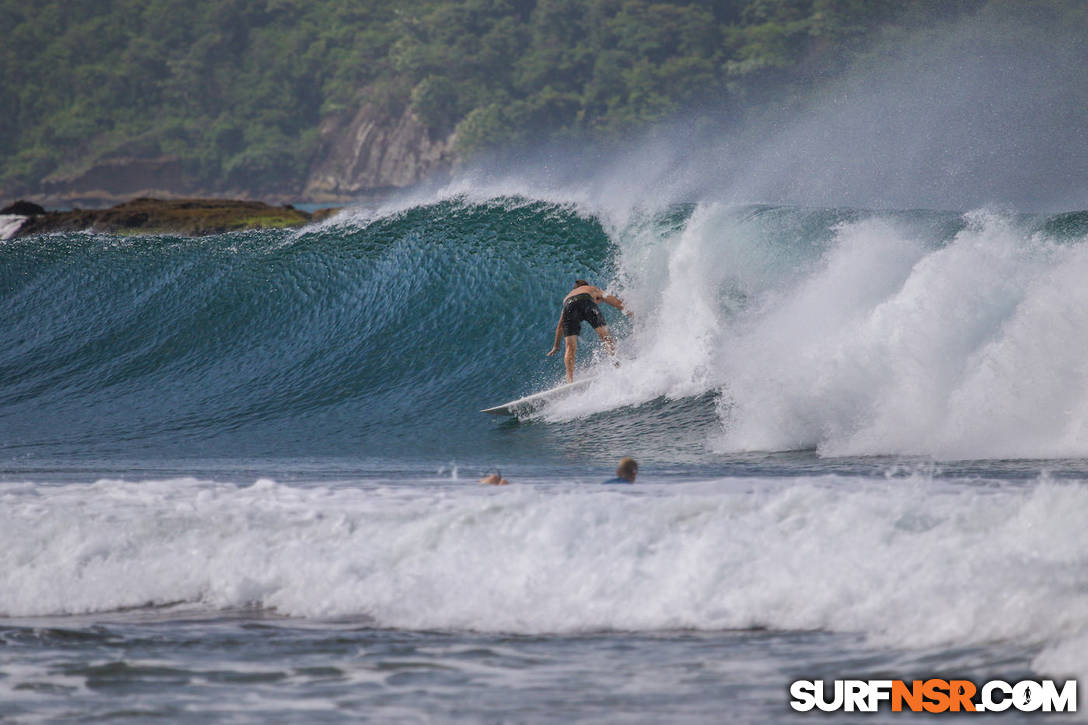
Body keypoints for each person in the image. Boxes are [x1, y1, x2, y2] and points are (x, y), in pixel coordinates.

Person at [546, 279, 629, 382]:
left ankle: (569, 380)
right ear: (586, 285)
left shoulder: (569, 296)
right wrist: (629, 312)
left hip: (569, 307)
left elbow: (560, 326)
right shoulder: (591, 289)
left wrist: (556, 346)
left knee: (570, 347)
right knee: (605, 337)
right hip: (585, 302)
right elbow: (615, 302)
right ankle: (616, 364)